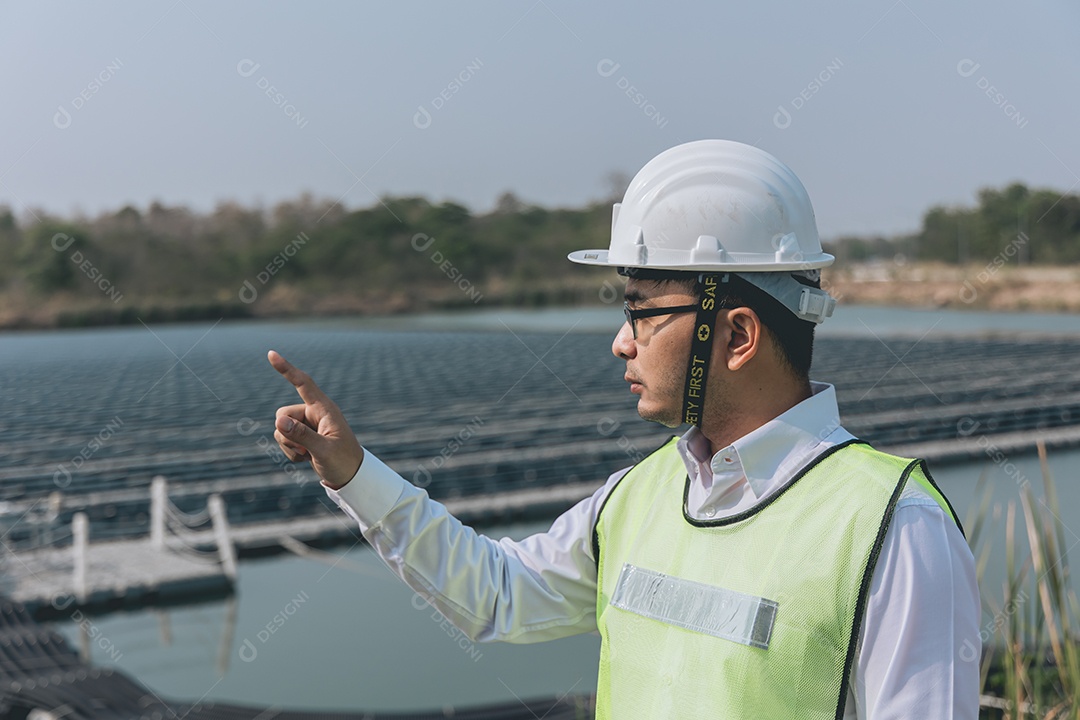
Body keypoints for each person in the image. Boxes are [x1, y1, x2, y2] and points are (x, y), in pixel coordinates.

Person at [268, 140, 981, 718]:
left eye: (643, 310)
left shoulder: (894, 529)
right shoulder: (639, 497)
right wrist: (355, 474)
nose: (621, 340)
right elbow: (496, 595)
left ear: (736, 335)